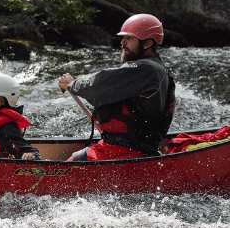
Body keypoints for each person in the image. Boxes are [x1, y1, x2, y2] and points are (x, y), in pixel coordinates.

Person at [58, 13, 176, 161]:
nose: (122, 42)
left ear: (147, 44)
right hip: (132, 148)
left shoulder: (143, 69)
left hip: (124, 152)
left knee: (71, 163)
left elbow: (97, 88)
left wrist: (72, 85)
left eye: (130, 38)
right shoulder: (155, 69)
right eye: (124, 37)